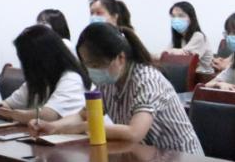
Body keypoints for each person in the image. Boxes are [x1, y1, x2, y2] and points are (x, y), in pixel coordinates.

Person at [31, 22, 203, 154]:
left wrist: (86, 127)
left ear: (120, 58)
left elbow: (134, 133)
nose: (93, 71)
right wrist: (54, 127)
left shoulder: (147, 80)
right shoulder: (108, 82)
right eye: (88, 65)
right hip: (147, 156)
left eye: (96, 65)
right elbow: (83, 115)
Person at [0, 25, 88, 124]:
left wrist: (12, 114)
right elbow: (8, 104)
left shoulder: (71, 78)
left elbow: (48, 115)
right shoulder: (40, 81)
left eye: (25, 60)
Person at [166, 1, 214, 80]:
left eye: (181, 15)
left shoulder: (198, 36)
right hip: (185, 77)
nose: (176, 19)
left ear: (191, 18)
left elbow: (184, 57)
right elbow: (165, 55)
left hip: (202, 79)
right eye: (173, 16)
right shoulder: (178, 38)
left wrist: (169, 52)